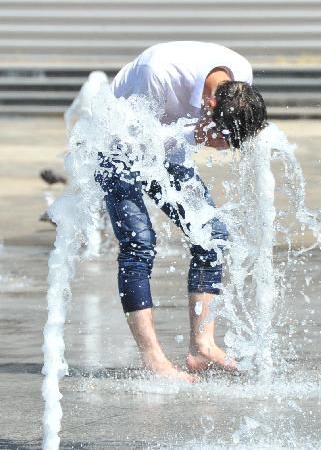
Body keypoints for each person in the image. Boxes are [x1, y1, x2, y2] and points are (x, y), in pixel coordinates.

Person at [95, 41, 267, 382]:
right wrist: (194, 135)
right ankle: (153, 360)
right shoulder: (158, 74)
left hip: (167, 146)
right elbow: (136, 142)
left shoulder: (240, 74)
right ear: (210, 102)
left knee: (212, 236)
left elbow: (175, 143)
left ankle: (202, 346)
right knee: (139, 243)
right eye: (222, 138)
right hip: (116, 145)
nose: (222, 147)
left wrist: (199, 134)